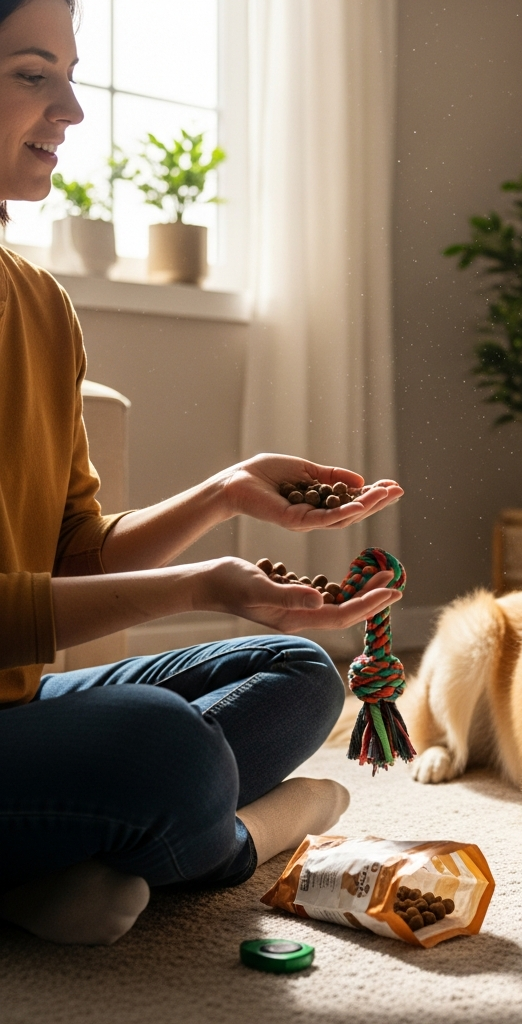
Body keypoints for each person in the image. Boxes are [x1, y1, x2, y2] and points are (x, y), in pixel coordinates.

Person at [0, 0, 404, 946]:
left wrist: (225, 496)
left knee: (299, 671)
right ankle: (243, 836)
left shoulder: (41, 305)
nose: (73, 109)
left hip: (16, 706)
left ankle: (52, 863)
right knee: (160, 747)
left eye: (69, 73)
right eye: (30, 74)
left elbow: (76, 552)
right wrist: (193, 585)